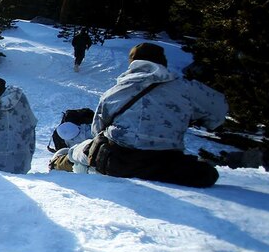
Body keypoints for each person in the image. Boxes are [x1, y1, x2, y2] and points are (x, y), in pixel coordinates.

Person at [52, 42, 228, 187]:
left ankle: (59, 163)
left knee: (82, 151)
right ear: (163, 62)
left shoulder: (116, 91)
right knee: (207, 173)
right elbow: (219, 111)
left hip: (117, 161)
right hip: (166, 162)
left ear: (132, 63)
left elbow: (97, 129)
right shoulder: (187, 89)